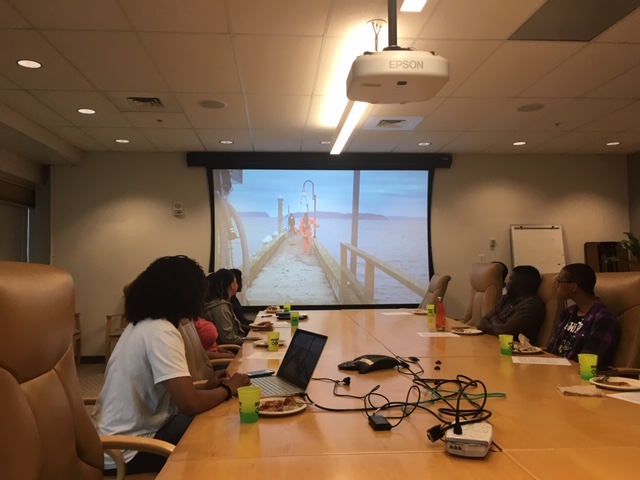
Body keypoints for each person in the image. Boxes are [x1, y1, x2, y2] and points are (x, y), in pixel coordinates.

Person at [93, 255, 249, 475]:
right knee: (224, 424)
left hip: (117, 439)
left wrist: (207, 386)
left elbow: (171, 391)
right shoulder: (161, 332)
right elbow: (189, 404)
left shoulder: (142, 325)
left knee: (218, 414)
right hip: (128, 450)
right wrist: (227, 389)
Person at [547, 263, 620, 367]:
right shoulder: (567, 313)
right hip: (554, 369)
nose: (556, 285)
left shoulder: (603, 319)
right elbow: (551, 350)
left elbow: (587, 362)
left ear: (573, 287)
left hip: (576, 375)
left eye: (559, 281)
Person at [477, 265, 545, 341]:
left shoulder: (531, 305)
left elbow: (504, 332)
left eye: (510, 279)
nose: (506, 282)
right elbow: (482, 323)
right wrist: (498, 329)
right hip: (495, 343)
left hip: (515, 350)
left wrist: (493, 318)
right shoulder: (508, 298)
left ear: (519, 284)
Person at [202, 269, 246, 345]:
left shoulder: (220, 303)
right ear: (232, 285)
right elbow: (228, 337)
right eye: (235, 282)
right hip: (232, 349)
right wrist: (248, 342)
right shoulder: (221, 307)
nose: (237, 284)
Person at [229, 268, 251, 334]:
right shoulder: (229, 302)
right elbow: (236, 325)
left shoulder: (234, 299)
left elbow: (242, 321)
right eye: (240, 281)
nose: (241, 284)